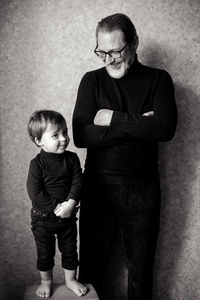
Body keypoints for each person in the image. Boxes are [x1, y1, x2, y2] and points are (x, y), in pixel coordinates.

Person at [72, 13, 178, 300]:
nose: (109, 59)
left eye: (116, 51)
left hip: (143, 189)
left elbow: (165, 128)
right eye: (101, 52)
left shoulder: (159, 79)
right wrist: (139, 124)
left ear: (134, 44)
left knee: (141, 273)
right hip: (97, 187)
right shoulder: (91, 81)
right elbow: (82, 135)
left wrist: (112, 118)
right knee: (90, 272)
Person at [26, 110, 88, 298]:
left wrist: (70, 203)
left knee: (70, 250)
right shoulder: (37, 164)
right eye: (55, 135)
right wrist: (56, 207)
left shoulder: (71, 159)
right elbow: (35, 193)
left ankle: (71, 280)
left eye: (65, 132)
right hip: (43, 218)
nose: (63, 138)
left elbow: (78, 181)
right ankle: (46, 281)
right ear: (39, 141)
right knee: (45, 253)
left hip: (67, 215)